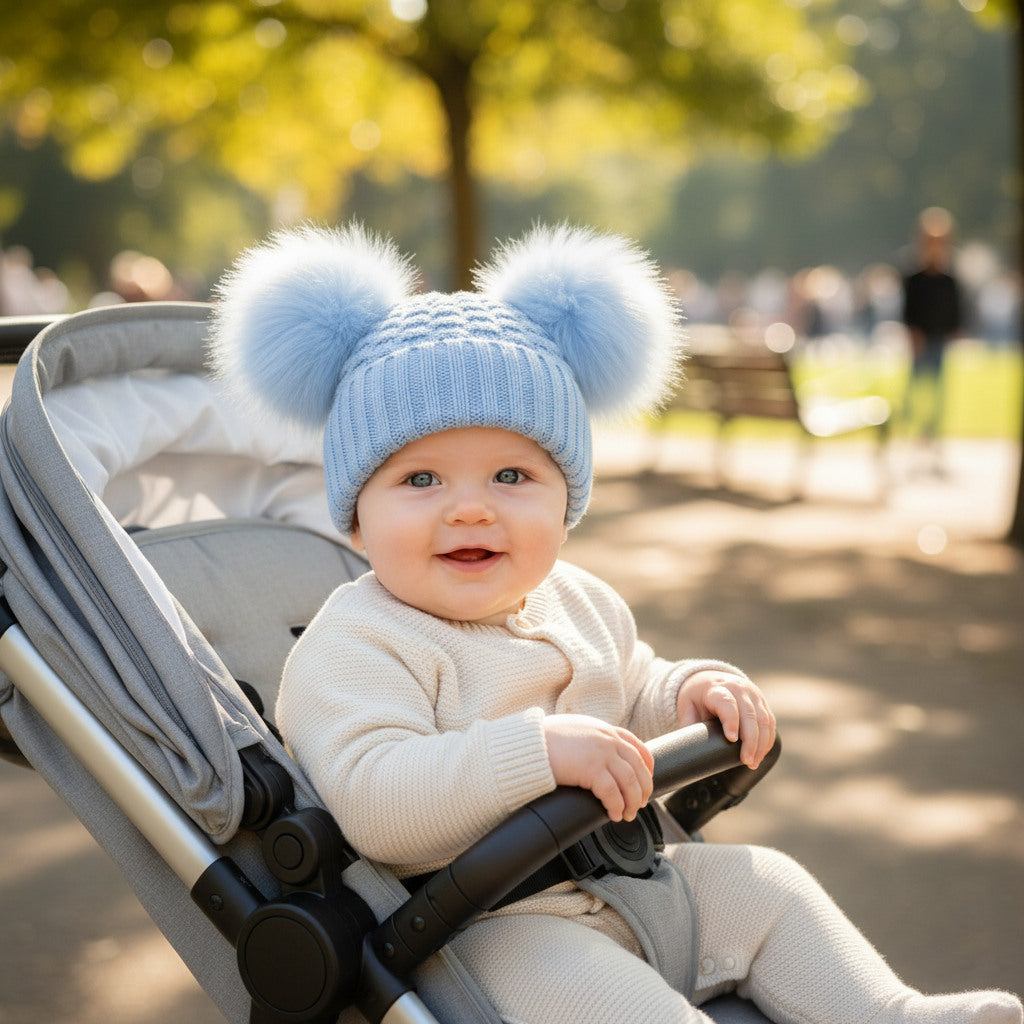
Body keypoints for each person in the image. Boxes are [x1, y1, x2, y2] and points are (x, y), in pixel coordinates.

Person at [209, 222, 1021, 1024]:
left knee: (768, 887)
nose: (470, 509)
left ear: (568, 506)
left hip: (635, 880)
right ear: (356, 519)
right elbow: (376, 803)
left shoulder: (581, 599)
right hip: (490, 932)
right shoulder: (356, 644)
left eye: (511, 475)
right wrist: (537, 753)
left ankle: (893, 1014)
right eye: (421, 479)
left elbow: (633, 689)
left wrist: (687, 695)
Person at [901, 208, 963, 464]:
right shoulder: (915, 277)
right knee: (914, 390)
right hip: (921, 340)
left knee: (938, 392)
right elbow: (909, 310)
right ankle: (911, 431)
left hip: (938, 339)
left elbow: (955, 309)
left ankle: (931, 434)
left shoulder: (949, 278)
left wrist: (952, 330)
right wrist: (914, 334)